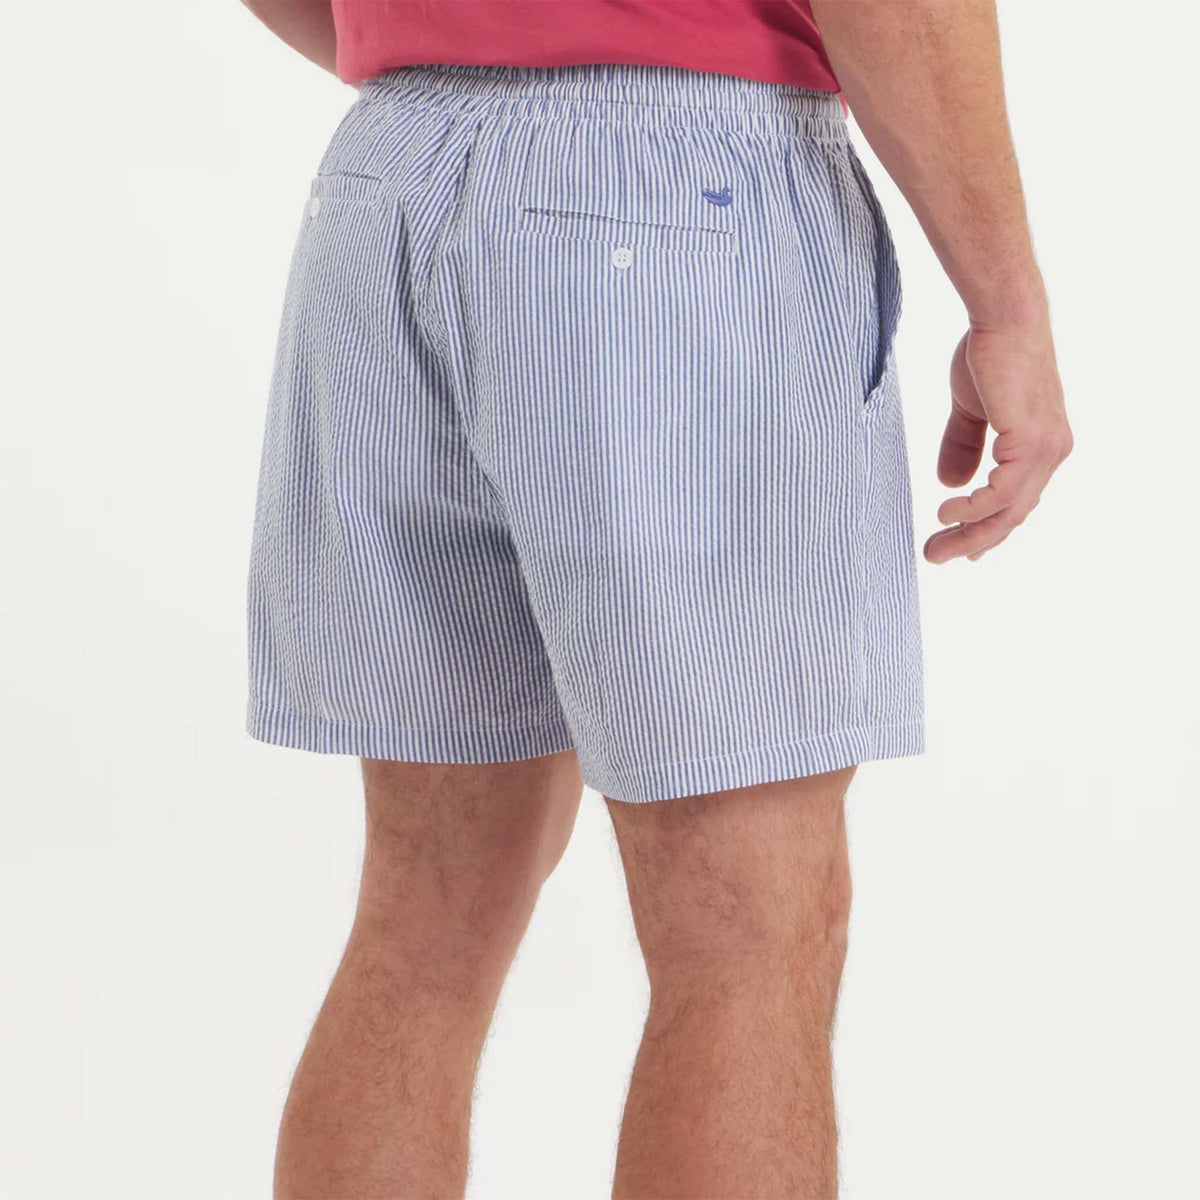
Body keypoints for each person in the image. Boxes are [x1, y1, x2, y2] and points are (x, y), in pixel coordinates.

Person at [239, 2, 1072, 1196]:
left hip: (389, 187)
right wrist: (1008, 303)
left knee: (425, 913)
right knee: (745, 930)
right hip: (675, 194)